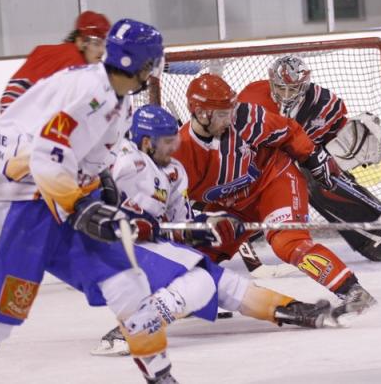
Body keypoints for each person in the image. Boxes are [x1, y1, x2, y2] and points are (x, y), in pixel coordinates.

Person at [0, 18, 182, 383]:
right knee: (7, 305)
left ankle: (160, 375)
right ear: (141, 64)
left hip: (56, 190)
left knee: (128, 282)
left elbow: (86, 154)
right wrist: (81, 205)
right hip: (23, 195)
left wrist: (101, 182)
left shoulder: (121, 100)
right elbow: (46, 156)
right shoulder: (87, 93)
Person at [92, 104, 336, 356]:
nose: (174, 146)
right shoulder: (122, 162)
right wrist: (122, 220)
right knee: (196, 282)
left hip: (154, 246)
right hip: (118, 250)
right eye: (167, 141)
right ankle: (130, 331)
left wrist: (207, 224)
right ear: (146, 142)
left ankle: (292, 310)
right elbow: (89, 207)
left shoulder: (174, 172)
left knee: (222, 281)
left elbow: (181, 225)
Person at [173, 73, 376, 318]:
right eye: (223, 113)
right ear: (202, 113)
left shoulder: (246, 118)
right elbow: (177, 204)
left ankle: (353, 292)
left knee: (288, 241)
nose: (231, 117)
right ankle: (193, 300)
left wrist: (314, 157)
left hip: (274, 181)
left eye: (232, 109)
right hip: (232, 205)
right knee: (195, 252)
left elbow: (288, 131)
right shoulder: (179, 153)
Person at [238, 55, 381, 262]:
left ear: (304, 85)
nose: (285, 95)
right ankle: (240, 233)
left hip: (302, 162)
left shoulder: (325, 104)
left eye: (292, 89)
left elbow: (334, 137)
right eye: (280, 88)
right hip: (261, 165)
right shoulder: (251, 98)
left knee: (323, 180)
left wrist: (353, 142)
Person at [0, 10, 111, 115]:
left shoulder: (53, 52)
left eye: (103, 43)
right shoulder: (76, 64)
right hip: (21, 118)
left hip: (11, 114)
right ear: (80, 41)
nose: (102, 51)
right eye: (96, 44)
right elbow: (86, 102)